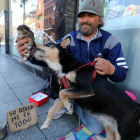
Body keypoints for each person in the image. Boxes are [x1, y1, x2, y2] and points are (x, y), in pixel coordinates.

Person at [16, 0, 128, 135]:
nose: (85, 20)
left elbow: (122, 74)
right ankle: (68, 99)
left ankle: (71, 104)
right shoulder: (70, 38)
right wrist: (30, 55)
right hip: (72, 86)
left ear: (99, 20)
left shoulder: (111, 42)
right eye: (82, 15)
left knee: (97, 128)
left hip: (95, 93)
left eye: (91, 15)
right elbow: (50, 56)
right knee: (98, 124)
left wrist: (112, 69)